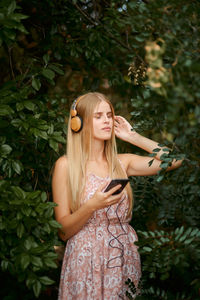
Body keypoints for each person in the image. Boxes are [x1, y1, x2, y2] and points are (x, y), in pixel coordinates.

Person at [52, 92, 182, 300]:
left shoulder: (123, 162)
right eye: (98, 116)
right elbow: (63, 232)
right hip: (85, 258)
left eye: (109, 115)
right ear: (78, 123)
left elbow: (174, 160)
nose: (107, 121)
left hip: (123, 254)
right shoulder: (66, 166)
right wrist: (92, 205)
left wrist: (133, 137)